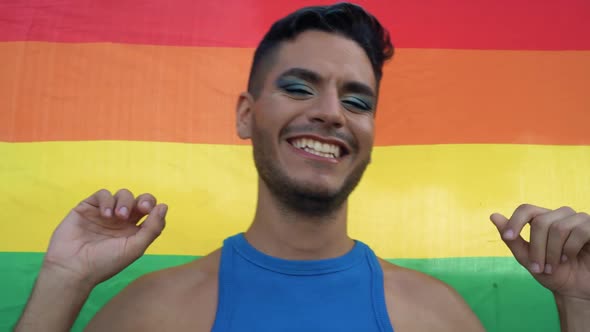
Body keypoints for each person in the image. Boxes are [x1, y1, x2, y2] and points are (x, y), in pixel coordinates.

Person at [15, 3, 590, 332]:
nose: (330, 114)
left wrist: (580, 304)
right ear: (247, 114)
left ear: (368, 134)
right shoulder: (152, 313)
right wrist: (62, 283)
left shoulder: (435, 317)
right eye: (299, 87)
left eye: (357, 101)